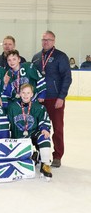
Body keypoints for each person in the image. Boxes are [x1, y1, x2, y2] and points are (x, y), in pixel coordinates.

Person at [32, 30, 72, 168]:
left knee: (58, 128)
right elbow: (33, 79)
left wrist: (61, 97)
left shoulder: (61, 56)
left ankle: (57, 155)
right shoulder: (36, 57)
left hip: (55, 99)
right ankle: (40, 152)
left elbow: (67, 78)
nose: (45, 42)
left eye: (48, 39)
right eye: (43, 39)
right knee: (38, 127)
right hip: (40, 100)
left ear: (53, 41)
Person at [7, 84, 52, 180]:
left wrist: (44, 129)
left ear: (32, 94)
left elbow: (44, 120)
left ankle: (46, 165)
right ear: (19, 93)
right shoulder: (12, 107)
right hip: (18, 137)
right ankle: (33, 156)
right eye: (23, 92)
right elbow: (7, 123)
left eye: (28, 93)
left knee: (45, 137)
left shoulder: (38, 107)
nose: (25, 95)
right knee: (21, 163)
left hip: (32, 134)